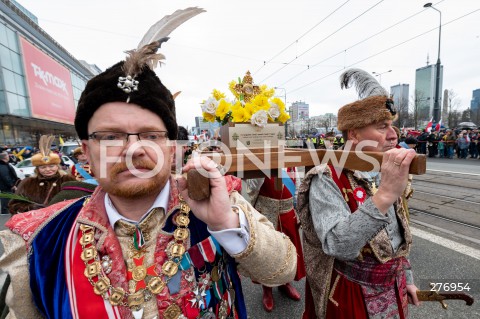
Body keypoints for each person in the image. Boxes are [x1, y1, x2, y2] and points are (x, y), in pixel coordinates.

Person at [0, 8, 296, 319]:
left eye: (150, 135)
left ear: (171, 149)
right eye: (111, 137)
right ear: (86, 152)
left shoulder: (218, 204)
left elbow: (282, 270)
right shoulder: (38, 239)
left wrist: (225, 224)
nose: (132, 150)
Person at [297, 68, 419, 319]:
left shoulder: (384, 167)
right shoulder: (327, 176)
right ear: (353, 133)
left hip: (393, 288)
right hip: (352, 296)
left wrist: (406, 277)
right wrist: (385, 194)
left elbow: (399, 235)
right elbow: (337, 244)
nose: (394, 134)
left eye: (392, 125)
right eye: (381, 126)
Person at [246, 169, 306, 312]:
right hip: (267, 215)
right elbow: (252, 187)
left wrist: (299, 211)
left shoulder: (291, 163)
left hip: (287, 214)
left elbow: (297, 188)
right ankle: (267, 288)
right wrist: (263, 168)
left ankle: (285, 282)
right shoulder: (261, 162)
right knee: (267, 254)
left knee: (288, 251)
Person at [8, 136, 76, 214]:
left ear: (57, 166)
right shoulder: (28, 182)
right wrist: (30, 207)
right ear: (37, 169)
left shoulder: (68, 180)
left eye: (51, 166)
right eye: (43, 167)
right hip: (37, 223)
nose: (47, 169)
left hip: (62, 222)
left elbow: (79, 201)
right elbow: (13, 205)